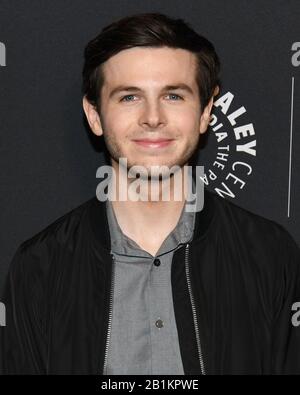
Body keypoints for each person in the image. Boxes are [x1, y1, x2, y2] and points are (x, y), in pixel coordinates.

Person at [1, 12, 300, 375]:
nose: (153, 117)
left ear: (206, 111)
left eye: (173, 95)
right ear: (94, 115)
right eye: (129, 97)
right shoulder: (41, 267)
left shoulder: (270, 255)